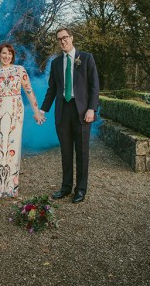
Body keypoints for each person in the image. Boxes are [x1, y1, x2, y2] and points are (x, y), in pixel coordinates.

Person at [39, 28, 100, 203]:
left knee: (81, 152)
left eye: (65, 37)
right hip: (62, 111)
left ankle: (80, 189)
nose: (62, 41)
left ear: (71, 38)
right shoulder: (56, 63)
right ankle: (65, 188)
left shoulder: (86, 58)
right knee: (66, 152)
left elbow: (95, 87)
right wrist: (43, 110)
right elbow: (52, 89)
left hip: (82, 112)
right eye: (59, 39)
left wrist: (91, 109)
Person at [0, 43, 43, 199]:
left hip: (15, 113)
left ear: (12, 55)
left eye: (9, 53)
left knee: (12, 147)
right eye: (3, 53)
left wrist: (37, 112)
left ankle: (10, 186)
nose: (7, 56)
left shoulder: (19, 70)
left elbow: (29, 91)